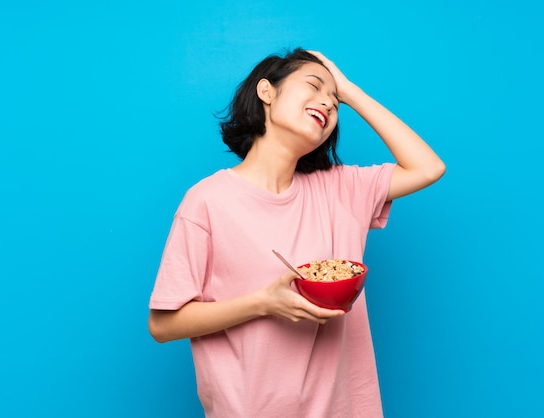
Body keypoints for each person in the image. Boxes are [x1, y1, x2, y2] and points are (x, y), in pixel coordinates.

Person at [148, 48, 445, 417]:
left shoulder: (341, 190)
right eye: (314, 85)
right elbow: (162, 325)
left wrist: (350, 91)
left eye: (334, 104)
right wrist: (262, 303)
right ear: (266, 92)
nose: (327, 103)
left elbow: (428, 167)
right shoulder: (207, 201)